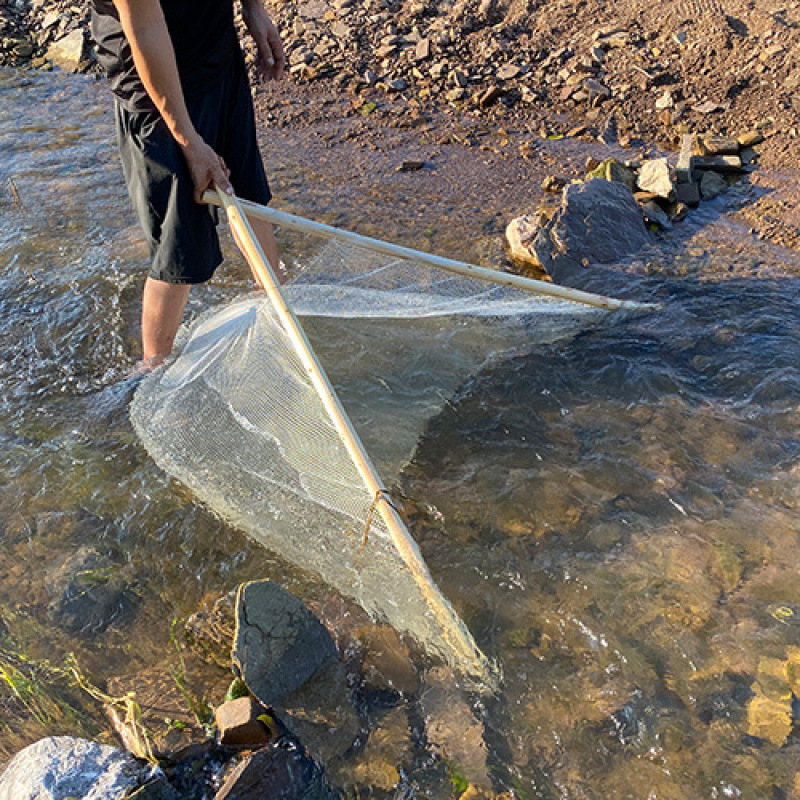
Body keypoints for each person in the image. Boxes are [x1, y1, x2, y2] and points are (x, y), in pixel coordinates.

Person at [90, 0, 286, 367]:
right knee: (178, 244)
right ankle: (152, 368)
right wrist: (189, 141)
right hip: (152, 87)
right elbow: (145, 29)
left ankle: (277, 302)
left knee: (247, 197)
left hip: (215, 50)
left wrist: (253, 8)